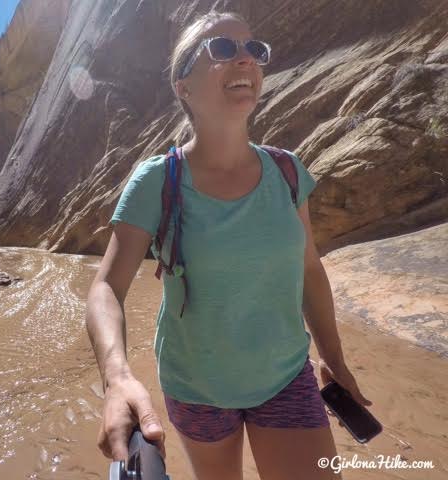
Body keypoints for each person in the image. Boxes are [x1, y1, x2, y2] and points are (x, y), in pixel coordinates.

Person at [86, 10, 372, 480]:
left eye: (255, 51)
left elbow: (309, 269)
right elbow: (105, 290)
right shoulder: (157, 181)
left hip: (286, 378)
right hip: (197, 389)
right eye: (222, 49)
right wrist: (116, 378)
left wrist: (334, 359)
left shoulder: (287, 171)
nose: (246, 60)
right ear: (183, 85)